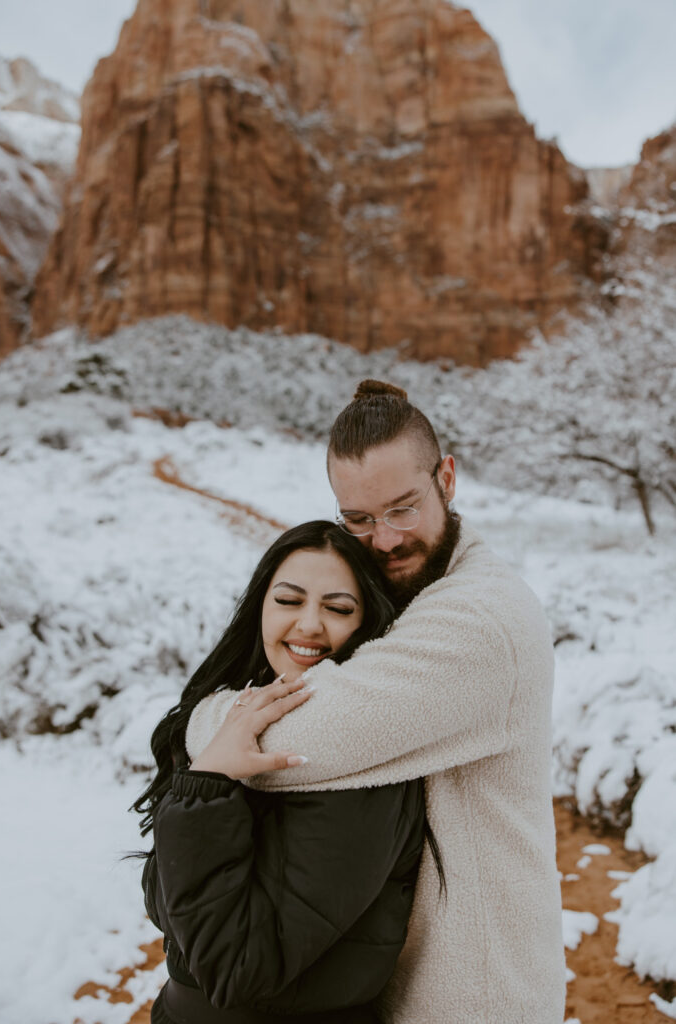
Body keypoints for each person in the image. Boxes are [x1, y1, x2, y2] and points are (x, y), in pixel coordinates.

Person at [188, 380, 567, 1024]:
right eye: (357, 520)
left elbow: (302, 739)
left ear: (446, 478)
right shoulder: (417, 591)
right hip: (411, 983)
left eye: (402, 508)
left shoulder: (479, 621)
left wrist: (204, 721)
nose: (384, 539)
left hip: (472, 994)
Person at [134, 520, 426, 1024]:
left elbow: (236, 970)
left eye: (338, 608)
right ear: (259, 609)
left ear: (368, 624)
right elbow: (172, 904)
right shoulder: (230, 725)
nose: (310, 625)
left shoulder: (360, 762)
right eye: (288, 601)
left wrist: (207, 787)